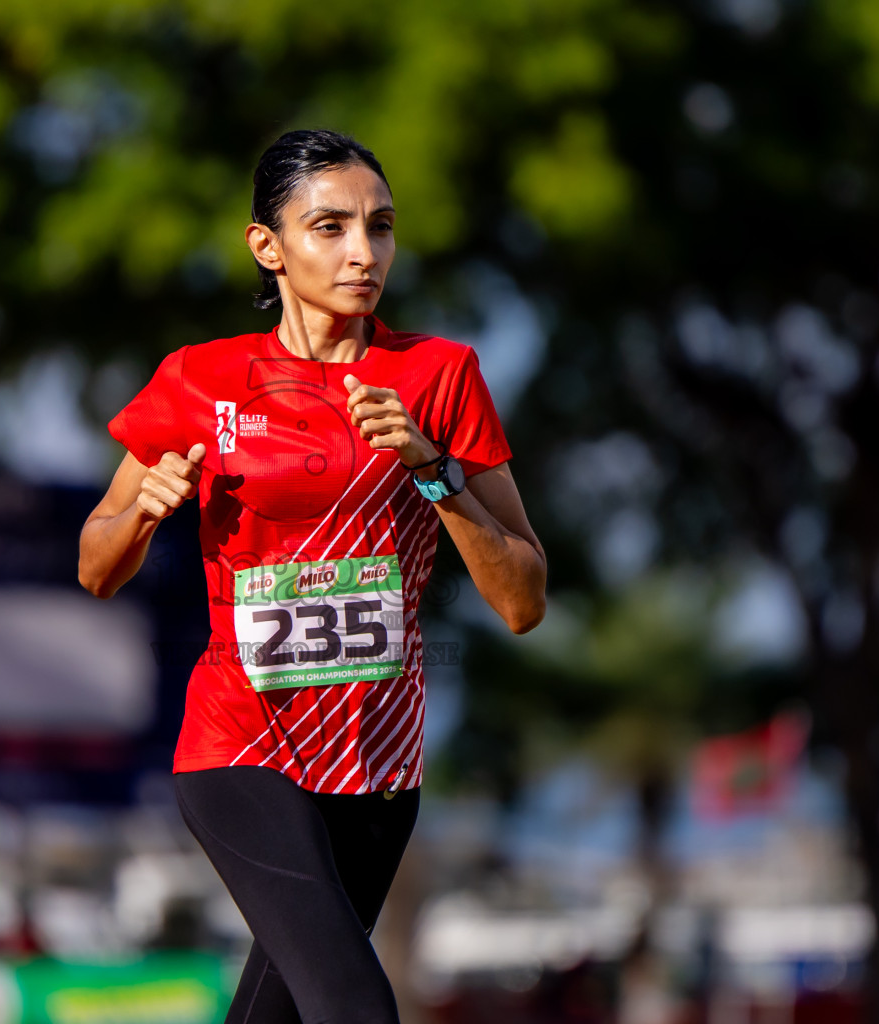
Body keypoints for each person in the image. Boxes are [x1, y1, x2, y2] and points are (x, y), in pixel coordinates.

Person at [79, 129, 546, 1024]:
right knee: (354, 1007)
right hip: (240, 745)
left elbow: (523, 599)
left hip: (378, 767)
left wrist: (430, 467)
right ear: (270, 246)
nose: (363, 253)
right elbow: (96, 565)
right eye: (329, 227)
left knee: (280, 1016)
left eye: (380, 226)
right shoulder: (200, 380)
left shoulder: (439, 377)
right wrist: (143, 510)